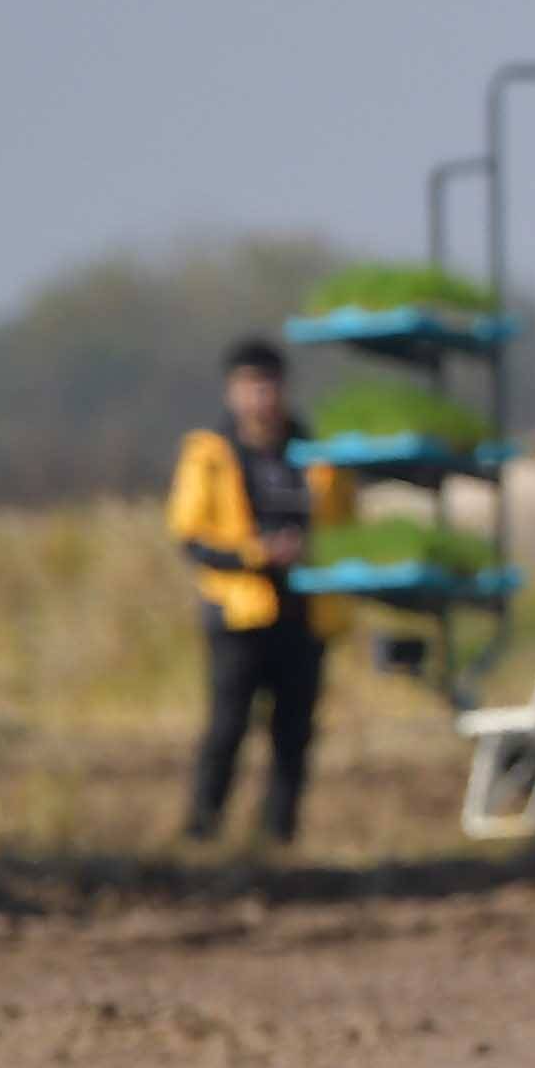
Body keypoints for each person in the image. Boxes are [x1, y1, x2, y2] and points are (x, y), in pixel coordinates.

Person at [169, 340, 347, 844]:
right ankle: (202, 833)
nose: (262, 398)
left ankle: (278, 839)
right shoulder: (210, 453)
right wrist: (255, 554)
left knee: (294, 734)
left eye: (269, 386)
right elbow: (190, 537)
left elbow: (344, 524)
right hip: (236, 613)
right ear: (232, 392)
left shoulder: (315, 453)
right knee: (227, 727)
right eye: (251, 386)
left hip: (305, 611)